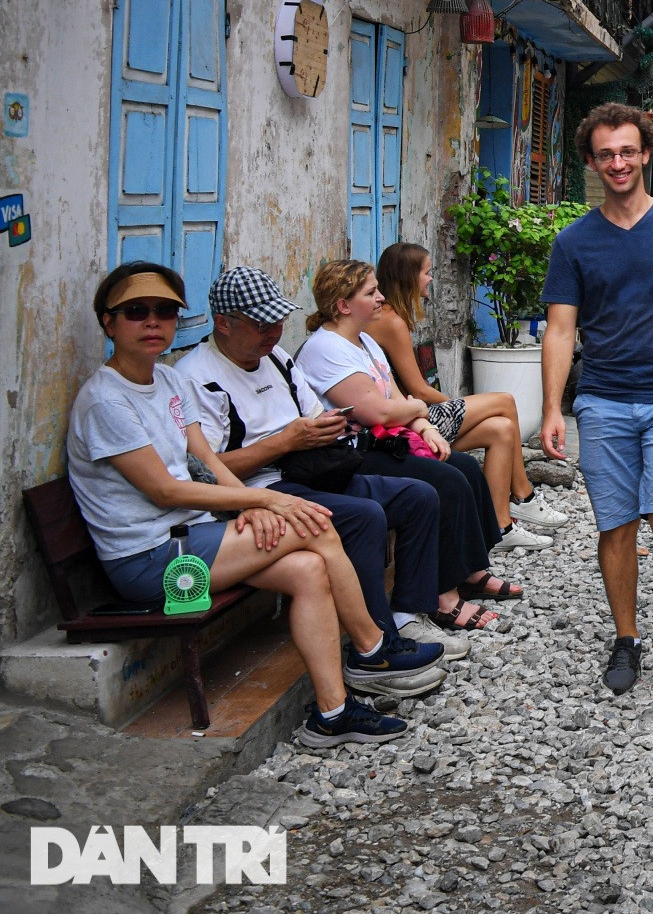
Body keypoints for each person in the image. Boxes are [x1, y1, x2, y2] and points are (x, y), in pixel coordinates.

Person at [68, 264, 440, 746]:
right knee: (317, 524)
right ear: (108, 322)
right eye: (137, 311)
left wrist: (247, 509)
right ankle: (372, 650)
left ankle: (332, 714)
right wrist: (263, 498)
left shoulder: (168, 382)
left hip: (195, 534)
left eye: (166, 311)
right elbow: (166, 491)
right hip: (148, 556)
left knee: (308, 569)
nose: (154, 321)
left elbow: (205, 461)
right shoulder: (106, 400)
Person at [177, 266, 471, 658]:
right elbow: (208, 468)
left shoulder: (276, 357)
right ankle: (378, 645)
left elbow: (316, 415)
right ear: (223, 324)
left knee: (419, 496)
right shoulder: (196, 377)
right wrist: (284, 442)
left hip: (312, 468)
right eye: (261, 324)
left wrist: (329, 427)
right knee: (365, 516)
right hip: (261, 489)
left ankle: (407, 614)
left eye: (278, 321)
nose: (274, 332)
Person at [540, 102, 653, 694]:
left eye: (627, 151)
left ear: (647, 153)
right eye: (606, 155)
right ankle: (627, 637)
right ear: (592, 162)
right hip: (603, 401)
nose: (618, 163)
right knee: (617, 526)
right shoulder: (574, 241)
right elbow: (560, 330)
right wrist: (552, 408)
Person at [295, 260, 526, 619]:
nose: (380, 297)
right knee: (445, 481)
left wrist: (426, 428)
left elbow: (396, 399)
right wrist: (418, 408)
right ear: (343, 305)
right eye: (371, 292)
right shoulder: (325, 348)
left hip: (385, 441)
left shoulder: (364, 341)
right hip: (347, 456)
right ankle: (443, 595)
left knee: (463, 466)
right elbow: (379, 413)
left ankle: (469, 571)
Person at [367, 241, 570, 542]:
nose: (431, 279)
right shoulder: (392, 321)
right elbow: (418, 389)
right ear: (409, 276)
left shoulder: (391, 317)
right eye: (427, 272)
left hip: (408, 417)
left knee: (501, 428)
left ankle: (500, 528)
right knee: (504, 401)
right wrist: (459, 404)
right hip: (407, 423)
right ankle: (524, 496)